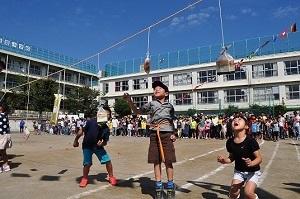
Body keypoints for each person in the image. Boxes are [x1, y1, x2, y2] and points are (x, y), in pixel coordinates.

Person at [123, 80, 176, 199]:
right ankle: (158, 188)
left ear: (166, 93)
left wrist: (174, 133)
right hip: (154, 134)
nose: (156, 89)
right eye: (155, 88)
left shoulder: (170, 106)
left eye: (160, 88)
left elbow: (172, 120)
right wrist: (129, 101)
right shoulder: (151, 104)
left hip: (167, 135)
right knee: (156, 161)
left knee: (169, 161)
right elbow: (137, 112)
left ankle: (170, 186)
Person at [217, 114, 262, 199]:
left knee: (248, 193)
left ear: (246, 126)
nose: (236, 120)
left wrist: (252, 163)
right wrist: (224, 160)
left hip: (253, 172)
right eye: (234, 119)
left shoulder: (251, 141)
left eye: (240, 119)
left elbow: (259, 158)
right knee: (233, 193)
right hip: (239, 171)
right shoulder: (230, 142)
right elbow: (231, 158)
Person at [73, 107, 117, 187]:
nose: (106, 116)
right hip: (87, 146)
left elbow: (105, 142)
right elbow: (81, 131)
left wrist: (102, 143)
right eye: (105, 114)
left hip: (98, 147)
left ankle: (111, 177)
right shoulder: (90, 122)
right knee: (87, 164)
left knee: (108, 161)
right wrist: (76, 140)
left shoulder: (106, 129)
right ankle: (85, 178)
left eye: (108, 115)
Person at [0, 104, 11, 173]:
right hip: (5, 135)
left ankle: (4, 166)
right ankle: (6, 166)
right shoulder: (5, 115)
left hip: (1, 135)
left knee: (2, 152)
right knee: (3, 152)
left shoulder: (2, 115)